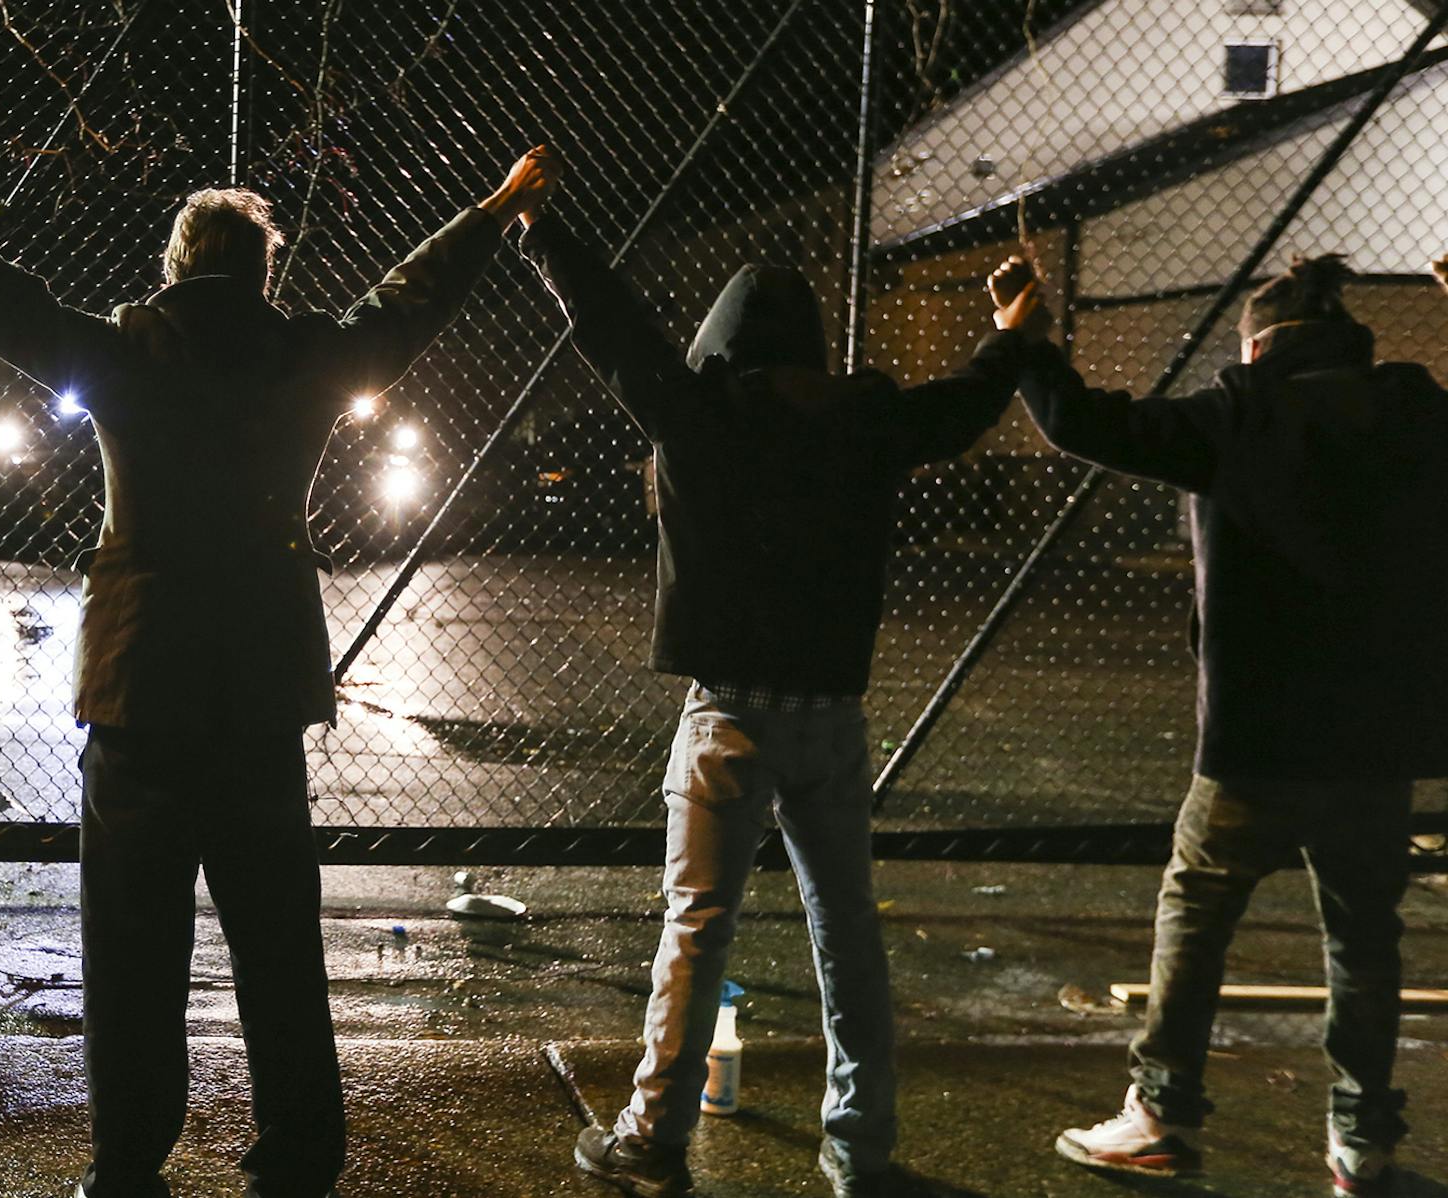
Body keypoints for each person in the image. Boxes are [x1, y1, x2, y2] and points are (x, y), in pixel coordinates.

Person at [0, 139, 561, 1198]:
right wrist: (496, 206)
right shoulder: (305, 360)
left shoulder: (126, 359)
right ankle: (297, 1157)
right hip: (260, 699)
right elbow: (406, 302)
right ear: (260, 276)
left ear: (173, 267)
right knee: (278, 945)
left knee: (134, 953)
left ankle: (130, 1164)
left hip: (141, 692)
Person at [517, 208, 1043, 1198]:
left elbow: (612, 326)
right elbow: (968, 402)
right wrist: (1011, 331)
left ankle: (653, 1136)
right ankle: (859, 1146)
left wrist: (547, 230)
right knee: (846, 927)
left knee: (697, 926)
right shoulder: (866, 419)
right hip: (830, 717)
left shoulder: (697, 411)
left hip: (727, 715)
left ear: (722, 341)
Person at [1022, 253, 1448, 1197]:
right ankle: (1360, 1143)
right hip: (1375, 743)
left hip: (1256, 738)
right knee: (1363, 931)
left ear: (1256, 343)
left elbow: (1080, 421)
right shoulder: (1418, 416)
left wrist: (1028, 339)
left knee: (1198, 907)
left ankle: (1163, 1113)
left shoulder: (1234, 417)